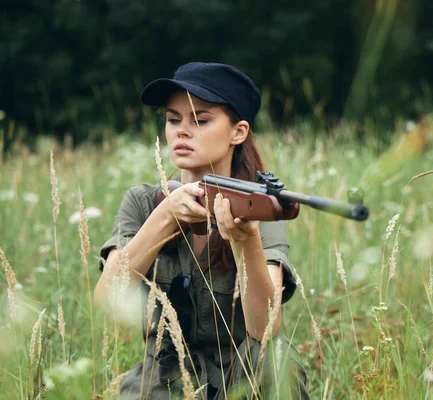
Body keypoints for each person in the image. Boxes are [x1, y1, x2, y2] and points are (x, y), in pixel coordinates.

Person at [94, 62, 310, 399]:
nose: (182, 131)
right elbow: (107, 299)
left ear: (238, 132)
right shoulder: (142, 203)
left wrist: (247, 241)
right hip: (166, 373)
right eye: (173, 119)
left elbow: (263, 328)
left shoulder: (259, 210)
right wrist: (165, 217)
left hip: (244, 369)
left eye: (201, 120)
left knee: (276, 359)